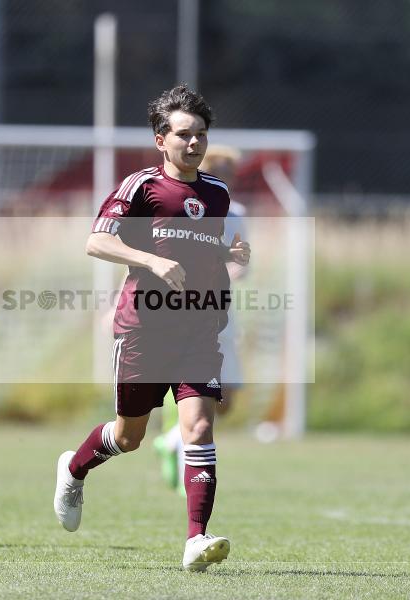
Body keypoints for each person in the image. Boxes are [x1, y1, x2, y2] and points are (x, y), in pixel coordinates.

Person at [53, 85, 250, 571]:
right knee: (128, 436)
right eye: (184, 135)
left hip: (198, 332)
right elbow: (96, 241)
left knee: (199, 427)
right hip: (143, 329)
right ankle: (74, 469)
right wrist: (149, 260)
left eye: (201, 135)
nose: (195, 143)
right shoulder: (139, 186)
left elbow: (199, 252)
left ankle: (195, 541)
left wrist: (227, 257)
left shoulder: (217, 194)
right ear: (161, 139)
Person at [154, 145, 248, 495]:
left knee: (227, 399)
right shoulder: (181, 207)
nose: (227, 176)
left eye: (231, 171)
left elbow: (240, 257)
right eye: (220, 169)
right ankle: (185, 459)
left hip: (221, 312)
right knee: (196, 391)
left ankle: (171, 439)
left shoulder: (235, 212)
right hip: (184, 313)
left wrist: (236, 268)